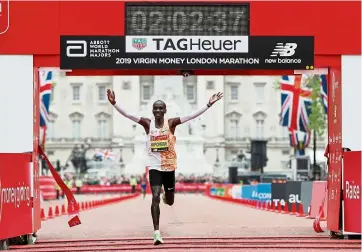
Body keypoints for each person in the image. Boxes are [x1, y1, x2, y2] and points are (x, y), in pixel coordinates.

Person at [107, 89, 223, 245]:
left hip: (169, 167)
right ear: (153, 110)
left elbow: (191, 116)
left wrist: (208, 104)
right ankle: (156, 232)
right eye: (155, 108)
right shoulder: (147, 124)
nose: (158, 110)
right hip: (154, 166)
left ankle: (166, 195)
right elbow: (128, 115)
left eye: (161, 108)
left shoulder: (171, 123)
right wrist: (114, 103)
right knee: (154, 196)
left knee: (170, 200)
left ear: (165, 110)